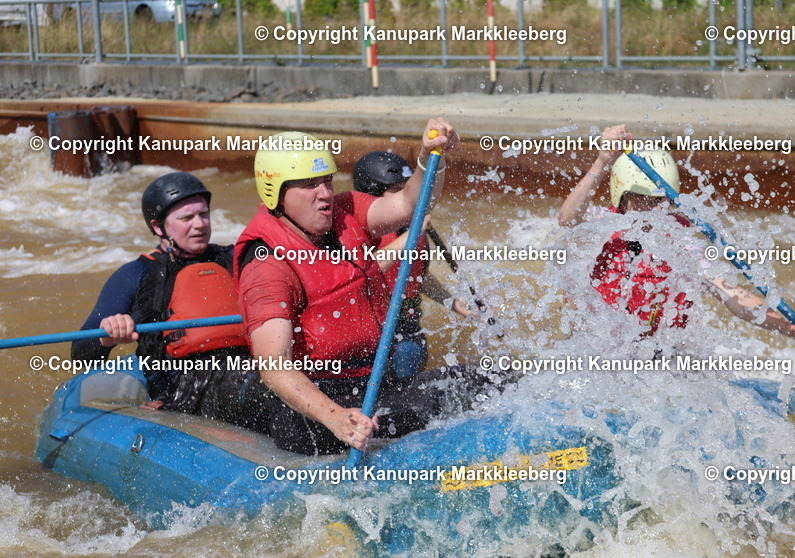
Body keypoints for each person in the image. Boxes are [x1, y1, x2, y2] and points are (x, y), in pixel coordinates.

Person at [235, 122, 506, 456]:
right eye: (309, 185)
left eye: (327, 181)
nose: (324, 194)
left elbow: (411, 205)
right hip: (315, 409)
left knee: (491, 378)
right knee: (444, 397)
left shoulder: (346, 210)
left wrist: (428, 156)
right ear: (274, 191)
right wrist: (334, 417)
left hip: (374, 380)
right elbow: (274, 364)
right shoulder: (267, 265)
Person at [558, 124, 795, 343]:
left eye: (659, 200)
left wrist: (785, 326)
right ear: (622, 195)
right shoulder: (601, 225)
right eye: (642, 199)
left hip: (656, 358)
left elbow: (733, 295)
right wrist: (603, 160)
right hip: (597, 352)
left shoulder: (681, 243)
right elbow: (566, 219)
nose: (652, 208)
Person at [72, 172, 263, 428]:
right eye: (186, 218)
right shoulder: (136, 275)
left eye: (203, 214)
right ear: (157, 227)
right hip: (182, 393)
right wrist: (106, 337)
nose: (199, 224)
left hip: (246, 373)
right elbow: (81, 357)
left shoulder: (233, 259)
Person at [352, 150, 475, 379]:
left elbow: (416, 276)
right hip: (372, 333)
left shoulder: (408, 228)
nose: (408, 199)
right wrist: (415, 230)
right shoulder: (359, 231)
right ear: (372, 194)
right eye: (398, 191)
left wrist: (455, 304)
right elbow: (368, 269)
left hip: (407, 330)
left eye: (407, 189)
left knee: (410, 353)